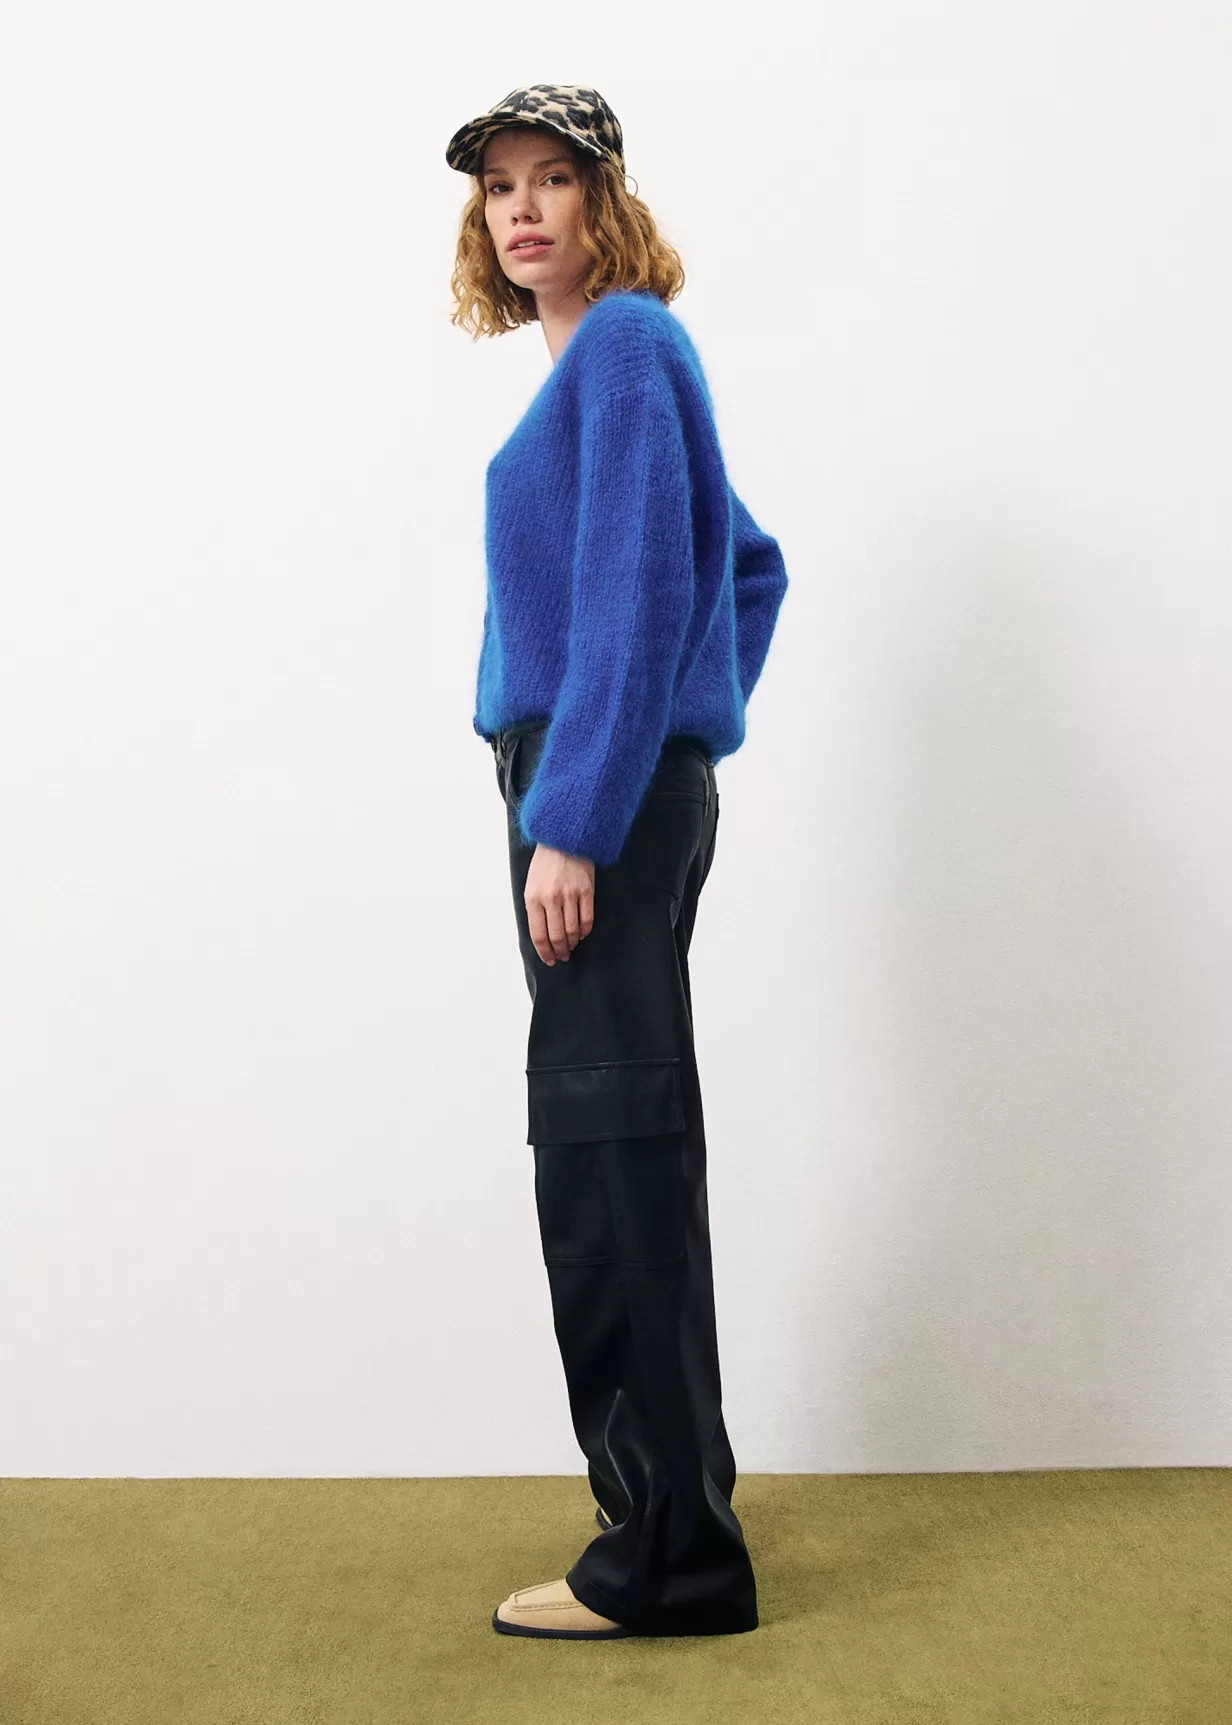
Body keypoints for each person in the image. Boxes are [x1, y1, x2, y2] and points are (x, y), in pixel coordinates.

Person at [444, 84, 789, 1640]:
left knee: (608, 1148)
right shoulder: (599, 368)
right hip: (612, 779)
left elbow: (653, 586)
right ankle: (666, 1522)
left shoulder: (632, 346)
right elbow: (750, 569)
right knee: (608, 1141)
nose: (523, 209)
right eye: (499, 187)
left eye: (554, 180)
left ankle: (670, 1560)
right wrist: (677, 731)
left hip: (593, 796)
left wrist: (585, 805)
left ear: (606, 199)